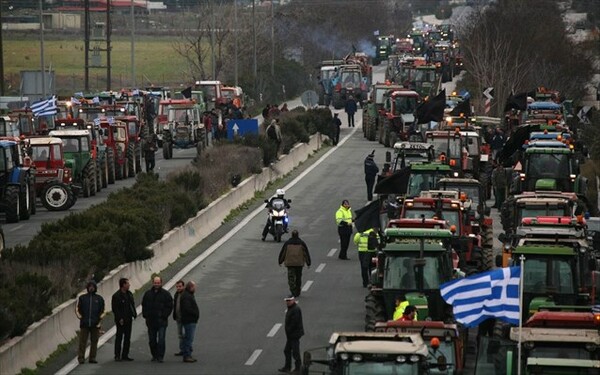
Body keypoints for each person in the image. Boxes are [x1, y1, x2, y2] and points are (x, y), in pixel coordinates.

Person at [141, 276, 173, 363]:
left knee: (161, 339)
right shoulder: (147, 294)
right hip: (151, 321)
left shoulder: (166, 294)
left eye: (158, 283)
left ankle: (160, 356)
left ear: (161, 283)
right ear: (153, 283)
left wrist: (164, 315)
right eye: (155, 283)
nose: (156, 284)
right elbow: (144, 305)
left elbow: (169, 306)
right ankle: (154, 355)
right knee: (152, 340)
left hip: (162, 321)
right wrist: (145, 315)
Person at [76, 280, 105, 364]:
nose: (91, 288)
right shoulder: (82, 298)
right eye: (90, 286)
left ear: (95, 288)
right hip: (84, 324)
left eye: (93, 286)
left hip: (95, 324)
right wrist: (81, 318)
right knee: (82, 342)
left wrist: (99, 319)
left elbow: (103, 311)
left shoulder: (99, 299)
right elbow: (77, 310)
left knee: (94, 341)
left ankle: (92, 357)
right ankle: (81, 358)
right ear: (87, 287)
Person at [278, 230, 312, 297]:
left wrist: (280, 261)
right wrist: (308, 263)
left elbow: (283, 253)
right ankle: (298, 291)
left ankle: (293, 291)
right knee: (298, 277)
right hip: (299, 263)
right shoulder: (302, 243)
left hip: (290, 263)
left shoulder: (287, 243)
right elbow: (306, 253)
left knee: (291, 278)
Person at [112, 277, 137, 362]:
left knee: (127, 338)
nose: (129, 285)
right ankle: (117, 355)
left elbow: (131, 305)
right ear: (123, 285)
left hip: (128, 319)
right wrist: (119, 318)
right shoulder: (116, 296)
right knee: (119, 337)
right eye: (127, 283)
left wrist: (134, 314)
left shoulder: (129, 294)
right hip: (121, 320)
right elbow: (115, 309)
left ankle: (125, 355)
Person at [278, 296, 304, 373]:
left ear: (293, 300)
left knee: (295, 352)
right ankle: (287, 367)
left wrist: (289, 330)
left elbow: (295, 322)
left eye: (289, 300)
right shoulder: (291, 308)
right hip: (291, 335)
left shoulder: (295, 309)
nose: (288, 302)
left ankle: (298, 369)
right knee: (287, 351)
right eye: (287, 301)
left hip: (294, 335)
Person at [180, 281, 200, 363]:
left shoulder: (187, 295)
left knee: (187, 337)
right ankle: (187, 355)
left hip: (189, 320)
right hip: (189, 320)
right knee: (189, 338)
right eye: (194, 287)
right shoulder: (186, 296)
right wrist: (195, 314)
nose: (195, 289)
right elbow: (187, 308)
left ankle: (187, 353)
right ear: (191, 287)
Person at [172, 280, 185, 357]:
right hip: (178, 318)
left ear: (183, 286)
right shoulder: (176, 295)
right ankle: (182, 349)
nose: (178, 288)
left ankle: (187, 349)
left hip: (185, 318)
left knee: (185, 335)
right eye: (177, 287)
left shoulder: (186, 295)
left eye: (180, 286)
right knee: (180, 334)